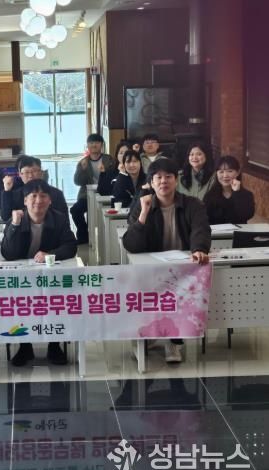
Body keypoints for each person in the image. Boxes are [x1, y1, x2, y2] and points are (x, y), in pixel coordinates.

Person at [122, 158, 211, 363]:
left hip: (182, 268)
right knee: (147, 299)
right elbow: (131, 245)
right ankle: (150, 336)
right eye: (158, 178)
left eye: (168, 177)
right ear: (151, 183)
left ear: (176, 180)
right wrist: (144, 212)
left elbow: (201, 229)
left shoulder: (192, 204)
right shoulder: (142, 205)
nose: (164, 181)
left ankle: (174, 342)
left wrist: (199, 249)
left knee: (179, 295)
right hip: (151, 269)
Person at [1, 179, 78, 366]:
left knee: (58, 300)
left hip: (49, 276)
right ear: (25, 200)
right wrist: (15, 226)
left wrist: (50, 255)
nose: (38, 200)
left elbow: (71, 246)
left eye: (43, 196)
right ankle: (24, 347)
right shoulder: (16, 219)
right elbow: (8, 254)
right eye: (33, 196)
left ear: (50, 200)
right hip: (22, 278)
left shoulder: (59, 218)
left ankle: (54, 346)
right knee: (18, 302)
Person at [70, 133, 115, 244]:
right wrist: (83, 170)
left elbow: (114, 178)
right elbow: (77, 182)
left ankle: (107, 237)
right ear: (87, 145)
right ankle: (83, 235)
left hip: (106, 194)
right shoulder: (83, 162)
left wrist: (105, 172)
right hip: (86, 195)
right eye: (91, 143)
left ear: (101, 145)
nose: (94, 145)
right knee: (75, 210)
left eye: (97, 142)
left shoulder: (109, 159)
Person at [0, 155, 68, 221]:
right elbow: (5, 217)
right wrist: (7, 191)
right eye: (26, 172)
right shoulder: (15, 195)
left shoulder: (56, 193)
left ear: (41, 172)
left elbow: (64, 219)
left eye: (34, 171)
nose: (30, 175)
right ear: (20, 174)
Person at [203, 155, 255, 225]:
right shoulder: (209, 196)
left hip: (239, 231)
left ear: (238, 172)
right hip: (216, 232)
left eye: (230, 171)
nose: (225, 176)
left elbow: (246, 215)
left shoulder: (247, 195)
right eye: (221, 172)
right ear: (216, 174)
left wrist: (237, 193)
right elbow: (205, 220)